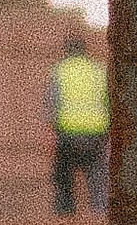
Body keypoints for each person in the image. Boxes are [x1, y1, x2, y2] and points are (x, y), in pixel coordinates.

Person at [46, 31, 107, 214]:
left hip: (68, 132)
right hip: (96, 132)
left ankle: (65, 214)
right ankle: (100, 214)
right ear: (84, 50)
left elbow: (52, 103)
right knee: (97, 176)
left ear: (66, 51)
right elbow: (108, 102)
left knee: (64, 174)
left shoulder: (60, 71)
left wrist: (51, 128)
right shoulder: (98, 70)